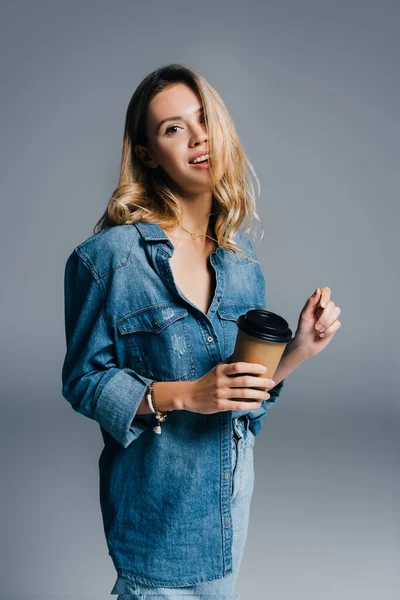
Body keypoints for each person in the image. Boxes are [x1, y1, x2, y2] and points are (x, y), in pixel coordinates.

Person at [61, 63, 342, 599]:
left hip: (227, 512)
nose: (197, 139)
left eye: (203, 119)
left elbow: (243, 401)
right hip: (157, 517)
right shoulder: (110, 260)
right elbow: (83, 382)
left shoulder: (241, 259)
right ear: (146, 153)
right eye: (173, 128)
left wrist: (301, 349)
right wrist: (187, 394)